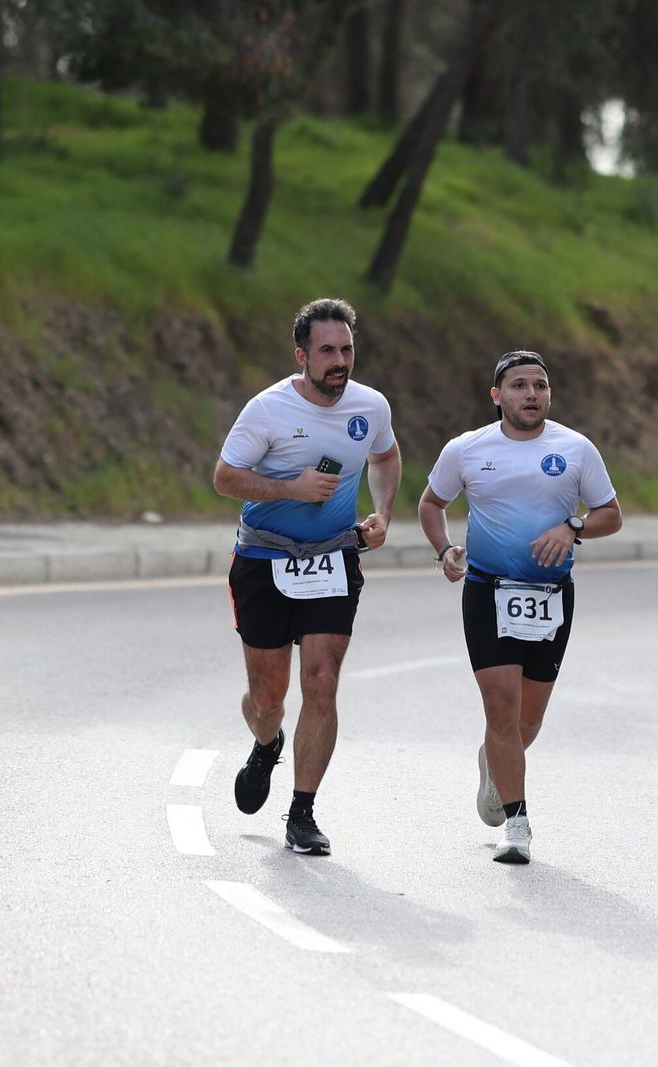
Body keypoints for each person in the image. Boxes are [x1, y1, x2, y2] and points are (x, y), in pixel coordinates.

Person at [213, 298, 402, 856]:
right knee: (267, 698)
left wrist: (383, 514)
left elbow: (386, 457)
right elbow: (225, 478)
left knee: (321, 682)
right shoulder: (267, 410)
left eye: (347, 349)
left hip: (332, 558)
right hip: (265, 561)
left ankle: (302, 813)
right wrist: (289, 489)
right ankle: (265, 743)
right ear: (302, 356)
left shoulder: (370, 406)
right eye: (327, 351)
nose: (339, 361)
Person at [418, 351, 622, 865]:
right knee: (500, 708)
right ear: (497, 396)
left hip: (550, 597)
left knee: (527, 721)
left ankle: (494, 758)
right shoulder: (467, 449)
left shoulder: (575, 449)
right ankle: (517, 823)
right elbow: (430, 504)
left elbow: (611, 515)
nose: (531, 394)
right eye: (519, 385)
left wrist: (573, 526)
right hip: (487, 590)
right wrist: (445, 551)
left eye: (540, 385)